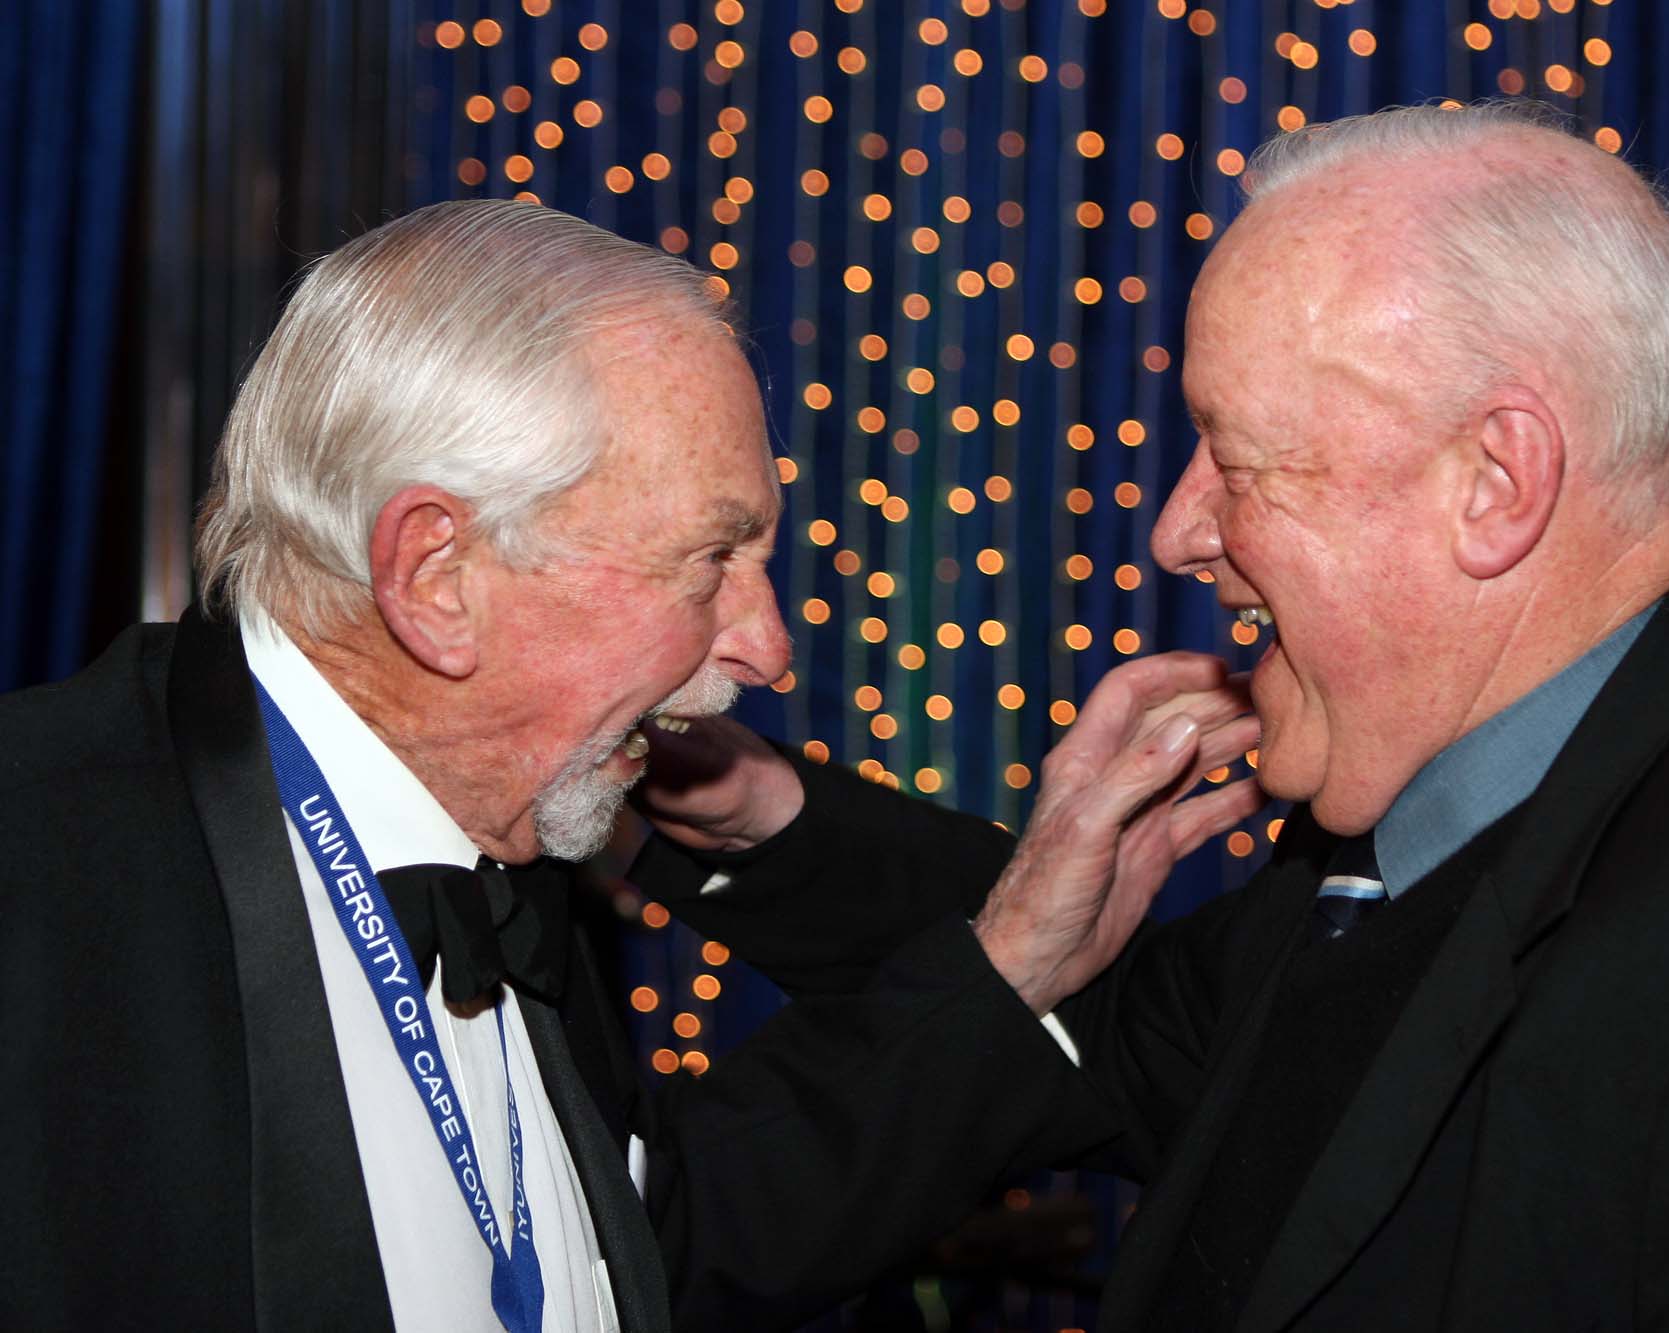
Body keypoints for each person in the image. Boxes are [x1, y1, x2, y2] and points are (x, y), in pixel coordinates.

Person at [661, 103, 1669, 1327]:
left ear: (1495, 482)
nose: (1179, 532)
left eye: (1235, 459)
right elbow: (1103, 1016)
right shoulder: (1429, 826)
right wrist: (768, 817)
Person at [0, 200, 1258, 1331]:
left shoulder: (516, 858)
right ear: (437, 579)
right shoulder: (43, 876)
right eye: (711, 561)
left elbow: (652, 1254)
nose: (767, 652)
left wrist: (1011, 955)